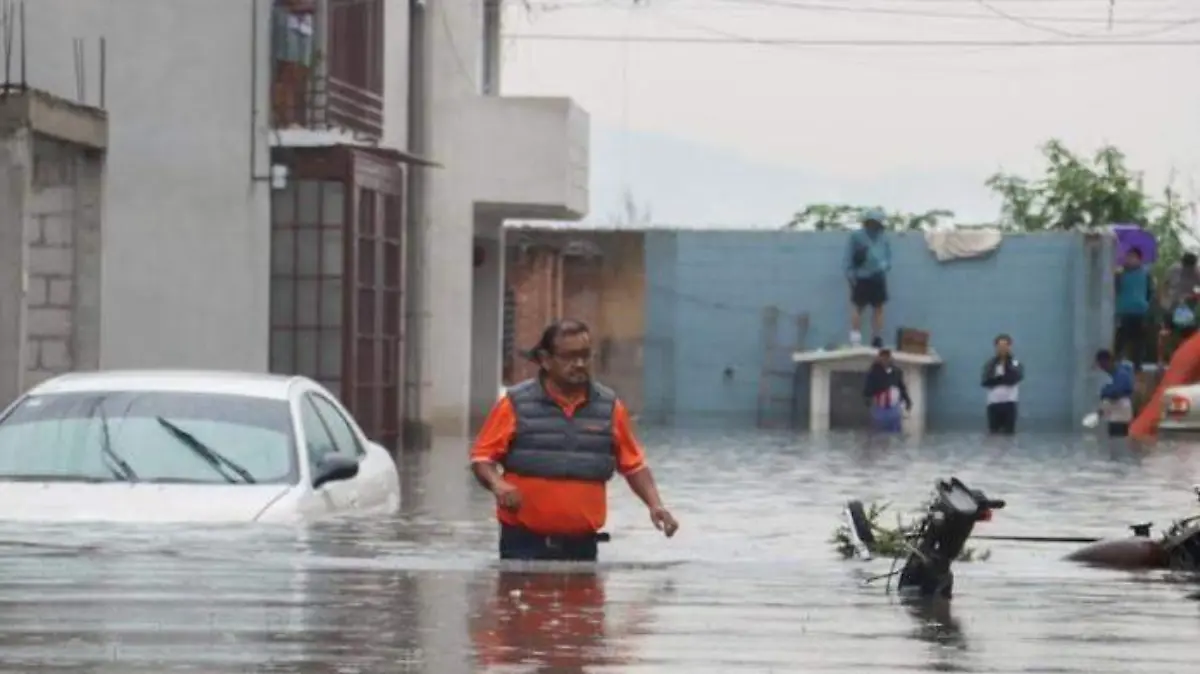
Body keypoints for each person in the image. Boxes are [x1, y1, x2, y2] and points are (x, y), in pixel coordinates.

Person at [470, 319, 679, 562]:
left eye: (585, 356)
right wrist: (498, 485)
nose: (579, 364)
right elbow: (481, 459)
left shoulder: (609, 407)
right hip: (523, 544)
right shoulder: (515, 404)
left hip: (583, 546)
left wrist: (656, 505)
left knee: (584, 601)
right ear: (546, 360)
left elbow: (634, 466)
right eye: (569, 357)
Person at [844, 209, 892, 348]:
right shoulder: (856, 236)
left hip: (878, 276)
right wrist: (850, 273)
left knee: (878, 307)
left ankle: (877, 337)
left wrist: (885, 266)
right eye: (871, 222)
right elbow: (849, 255)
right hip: (862, 275)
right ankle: (855, 339)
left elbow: (888, 256)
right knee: (858, 307)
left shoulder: (883, 238)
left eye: (876, 222)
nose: (874, 225)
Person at [1113, 246, 1154, 367]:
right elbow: (1115, 289)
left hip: (1140, 311)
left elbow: (1150, 291)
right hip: (1124, 310)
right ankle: (1116, 363)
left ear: (1139, 259)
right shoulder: (1120, 274)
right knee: (1120, 339)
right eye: (1128, 256)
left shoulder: (1146, 274)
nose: (1129, 259)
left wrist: (1147, 304)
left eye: (1132, 257)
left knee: (1138, 341)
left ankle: (1137, 365)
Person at [980, 333, 1024, 435]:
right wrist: (999, 379)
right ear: (996, 347)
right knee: (993, 433)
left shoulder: (1014, 362)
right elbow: (985, 381)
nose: (1002, 349)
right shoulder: (990, 364)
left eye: (1005, 346)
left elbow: (1015, 378)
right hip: (993, 403)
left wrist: (1001, 376)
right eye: (1000, 346)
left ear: (1009, 347)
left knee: (1009, 433)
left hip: (1009, 403)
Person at [863, 348, 911, 432]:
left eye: (887, 358)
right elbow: (868, 387)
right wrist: (867, 398)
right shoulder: (874, 372)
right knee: (879, 432)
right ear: (879, 358)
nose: (885, 360)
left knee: (895, 431)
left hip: (894, 408)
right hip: (880, 407)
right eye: (883, 358)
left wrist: (907, 401)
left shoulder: (896, 372)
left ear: (890, 358)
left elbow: (902, 387)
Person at [1093, 349, 1135, 438]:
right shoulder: (1114, 374)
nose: (1102, 368)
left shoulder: (1121, 374)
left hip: (1120, 412)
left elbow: (1116, 392)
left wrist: (1105, 391)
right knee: (1115, 437)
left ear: (1108, 361)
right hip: (1116, 412)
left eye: (1102, 364)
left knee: (1117, 437)